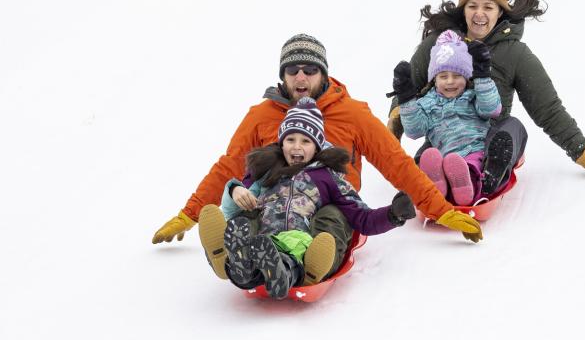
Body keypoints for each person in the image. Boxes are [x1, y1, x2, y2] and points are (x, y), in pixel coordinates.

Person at [153, 33, 483, 260]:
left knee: (329, 221)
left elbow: (396, 163)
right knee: (249, 216)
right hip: (272, 203)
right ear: (282, 75)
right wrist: (189, 214)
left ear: (322, 73)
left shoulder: (351, 113)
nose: (301, 77)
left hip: (332, 203)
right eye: (292, 70)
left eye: (309, 70)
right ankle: (237, 259)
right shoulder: (261, 116)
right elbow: (230, 166)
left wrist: (443, 210)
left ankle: (314, 264)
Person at [389, 0, 585, 192]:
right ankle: (430, 181)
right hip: (445, 137)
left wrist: (582, 152)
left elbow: (547, 109)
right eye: (472, 5)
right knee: (430, 156)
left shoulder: (515, 54)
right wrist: (392, 134)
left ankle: (487, 176)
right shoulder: (438, 44)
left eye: (488, 7)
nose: (479, 14)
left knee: (512, 128)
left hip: (491, 142)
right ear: (463, 10)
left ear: (500, 11)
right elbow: (407, 91)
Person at [198, 97, 416, 298]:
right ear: (281, 143)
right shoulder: (266, 170)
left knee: (293, 249)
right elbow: (238, 197)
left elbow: (361, 218)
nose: (296, 146)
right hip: (262, 239)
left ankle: (281, 273)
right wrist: (235, 190)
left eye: (305, 141)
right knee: (247, 225)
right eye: (290, 139)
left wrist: (392, 214)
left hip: (298, 238)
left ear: (317, 146)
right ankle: (237, 264)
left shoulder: (327, 177)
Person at [394, 30, 502, 205]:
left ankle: (468, 187)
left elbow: (492, 109)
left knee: (469, 165)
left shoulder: (473, 96)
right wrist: (406, 98)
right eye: (443, 76)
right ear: (434, 80)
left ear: (466, 78)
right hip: (445, 158)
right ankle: (437, 184)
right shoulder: (426, 103)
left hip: (476, 151)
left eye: (457, 75)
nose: (450, 81)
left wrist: (482, 75)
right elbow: (414, 131)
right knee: (434, 157)